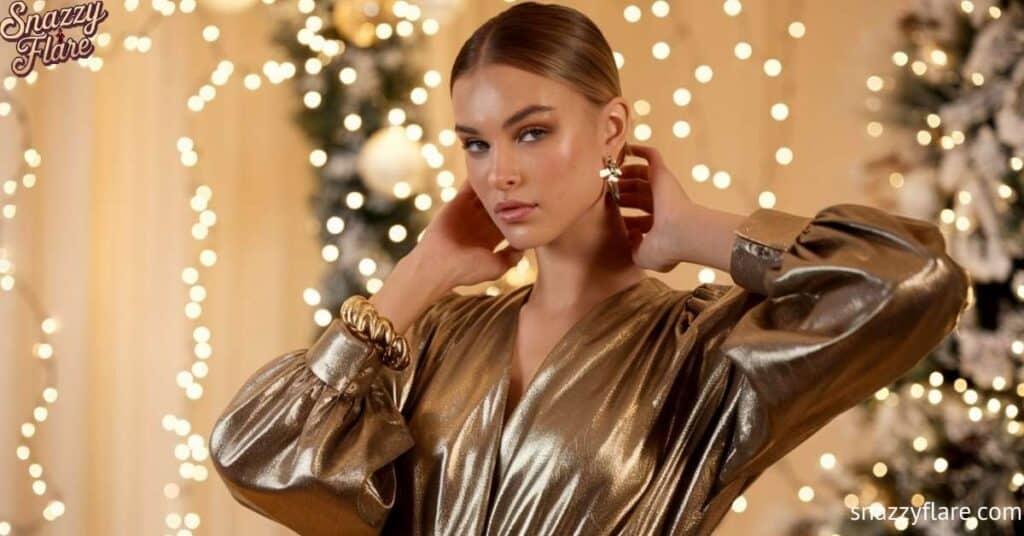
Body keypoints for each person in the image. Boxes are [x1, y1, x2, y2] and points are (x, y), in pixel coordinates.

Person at [207, 2, 972, 535]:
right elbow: (258, 458)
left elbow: (910, 279)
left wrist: (691, 229)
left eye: (531, 133)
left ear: (612, 129)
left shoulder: (703, 349)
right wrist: (421, 272)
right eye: (475, 143)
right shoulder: (437, 334)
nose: (497, 172)